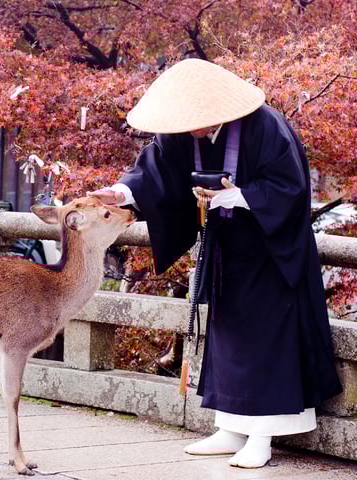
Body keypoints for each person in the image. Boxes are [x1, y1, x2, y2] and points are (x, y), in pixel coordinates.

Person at [91, 58, 342, 468]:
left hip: (270, 252)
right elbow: (154, 172)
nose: (193, 130)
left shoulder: (266, 125)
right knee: (228, 340)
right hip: (226, 249)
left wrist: (239, 196)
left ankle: (262, 435)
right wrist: (120, 193)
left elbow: (289, 186)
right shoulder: (181, 131)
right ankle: (230, 426)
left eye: (198, 121)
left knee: (266, 341)